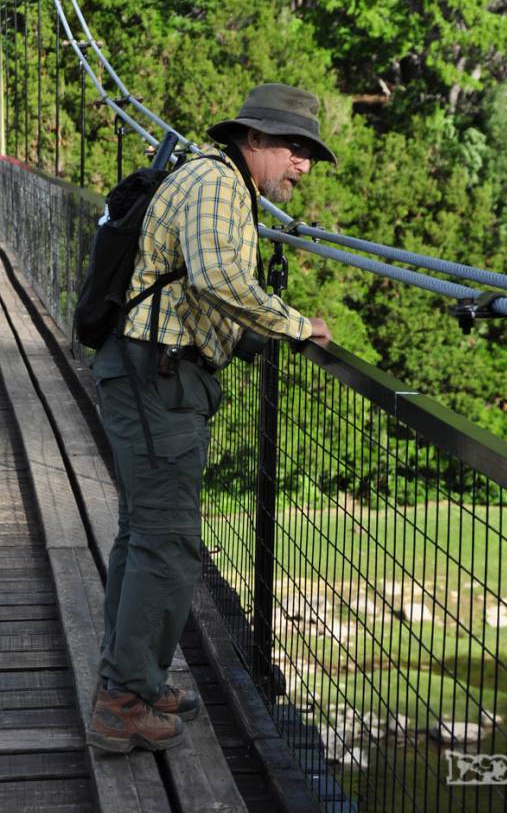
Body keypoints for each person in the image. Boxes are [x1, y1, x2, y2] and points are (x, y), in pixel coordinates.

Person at [86, 83, 334, 753]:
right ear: (253, 139)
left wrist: (241, 336)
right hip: (155, 378)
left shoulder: (216, 180)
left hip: (151, 373)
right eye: (294, 147)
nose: (304, 163)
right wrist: (295, 325)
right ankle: (122, 703)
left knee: (145, 534)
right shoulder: (219, 184)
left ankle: (132, 678)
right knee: (166, 541)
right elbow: (218, 278)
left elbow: (197, 285)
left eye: (309, 152)